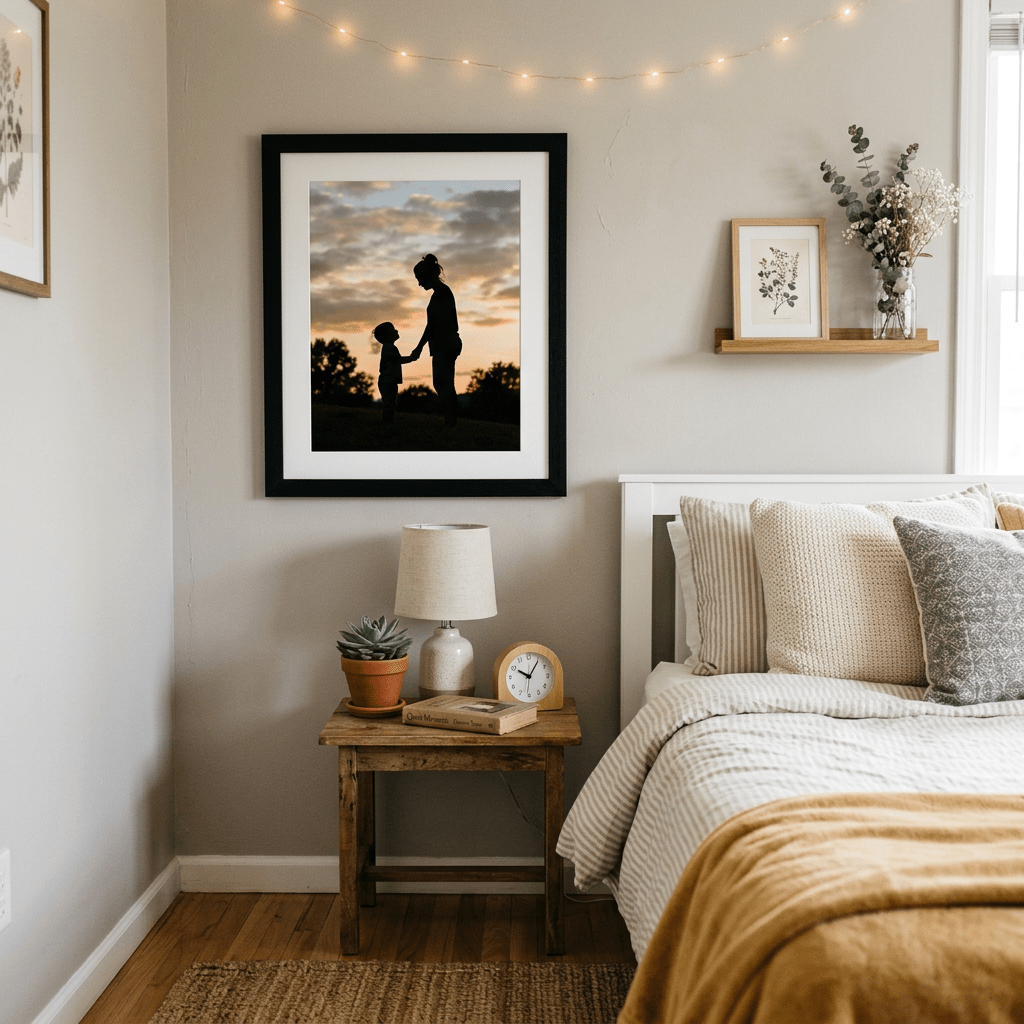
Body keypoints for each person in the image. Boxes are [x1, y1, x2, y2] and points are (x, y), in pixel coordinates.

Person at [413, 253, 463, 427]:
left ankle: (451, 423)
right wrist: (419, 347)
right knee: (442, 383)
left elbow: (433, 326)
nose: (419, 283)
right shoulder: (438, 294)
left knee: (444, 384)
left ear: (429, 275)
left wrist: (419, 347)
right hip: (443, 344)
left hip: (446, 343)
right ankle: (450, 422)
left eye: (420, 278)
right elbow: (431, 325)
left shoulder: (442, 293)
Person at [372, 321, 420, 425]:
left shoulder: (388, 347)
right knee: (390, 404)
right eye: (393, 330)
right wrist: (411, 358)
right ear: (388, 335)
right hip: (388, 381)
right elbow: (398, 360)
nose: (396, 331)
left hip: (388, 380)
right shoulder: (390, 347)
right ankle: (388, 422)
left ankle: (388, 421)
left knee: (390, 403)